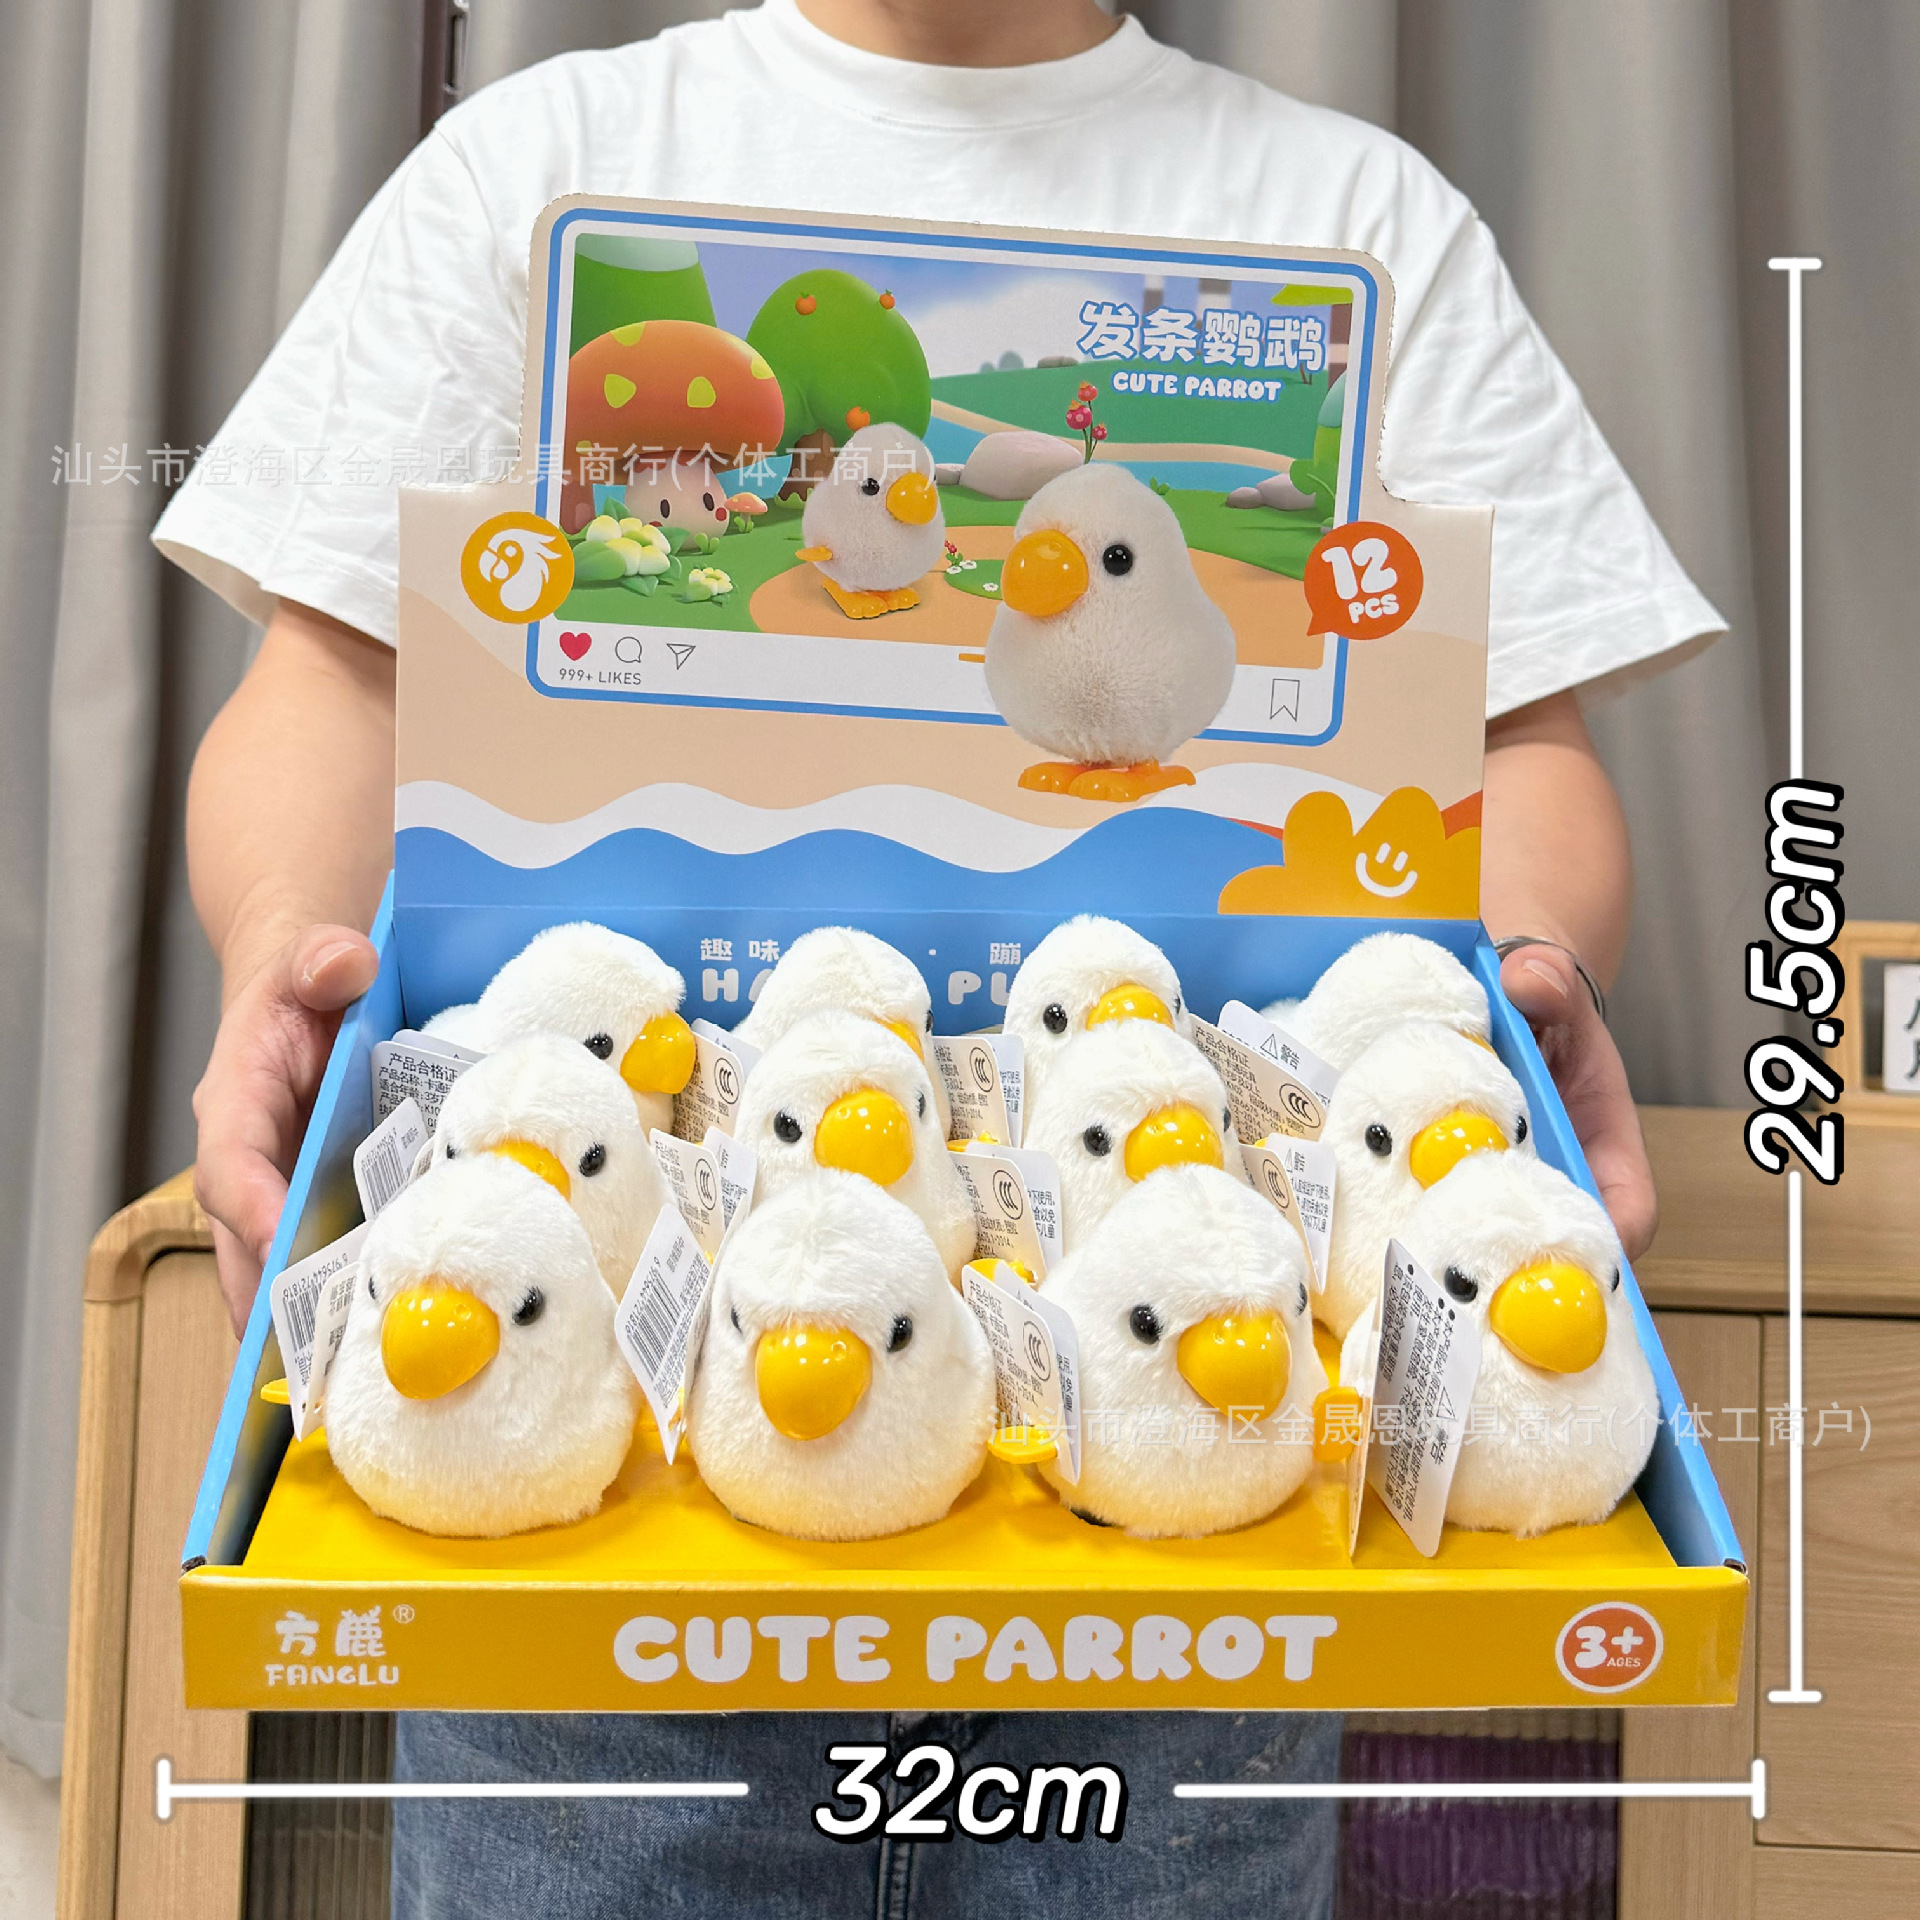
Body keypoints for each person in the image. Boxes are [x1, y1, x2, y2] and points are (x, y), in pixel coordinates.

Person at [159, 3, 1722, 1914]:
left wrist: (1519, 996)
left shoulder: (1359, 222)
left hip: (1191, 1512)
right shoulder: (533, 169)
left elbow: (1518, 743)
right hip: (596, 1484)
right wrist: (281, 949)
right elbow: (333, 676)